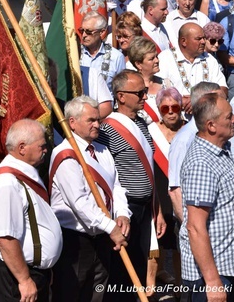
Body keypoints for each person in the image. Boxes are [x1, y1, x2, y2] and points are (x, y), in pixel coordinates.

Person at [50, 96, 130, 301]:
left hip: (103, 236)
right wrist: (110, 226)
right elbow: (79, 203)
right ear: (72, 123)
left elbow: (116, 186)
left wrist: (122, 214)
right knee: (72, 293)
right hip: (76, 240)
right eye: (91, 121)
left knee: (98, 293)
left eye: (98, 119)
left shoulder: (102, 150)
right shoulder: (65, 154)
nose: (97, 125)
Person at [98, 70, 166, 297]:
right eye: (139, 93)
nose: (145, 97)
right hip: (126, 209)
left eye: (145, 92)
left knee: (139, 266)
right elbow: (104, 171)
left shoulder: (142, 124)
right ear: (121, 96)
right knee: (121, 274)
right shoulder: (106, 130)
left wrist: (157, 209)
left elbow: (148, 168)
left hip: (146, 208)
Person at [0, 119, 62, 302]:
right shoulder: (7, 183)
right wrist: (24, 279)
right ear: (22, 148)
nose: (45, 150)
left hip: (29, 273)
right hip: (14, 278)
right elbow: (6, 238)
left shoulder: (23, 174)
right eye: (42, 146)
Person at [179, 93, 234, 300]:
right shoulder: (202, 164)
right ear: (211, 126)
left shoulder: (222, 149)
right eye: (229, 117)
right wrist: (213, 282)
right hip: (216, 274)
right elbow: (195, 227)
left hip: (233, 266)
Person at [168, 82, 222, 222]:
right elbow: (175, 190)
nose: (225, 103)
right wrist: (189, 230)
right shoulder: (184, 140)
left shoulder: (214, 134)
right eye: (219, 99)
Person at [147, 88, 184, 291]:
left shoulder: (189, 130)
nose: (171, 112)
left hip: (182, 193)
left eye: (175, 107)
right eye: (165, 108)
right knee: (155, 243)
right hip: (158, 192)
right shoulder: (150, 131)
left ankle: (181, 286)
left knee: (180, 245)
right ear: (159, 110)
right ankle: (150, 288)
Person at [158, 23, 227, 114]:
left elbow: (223, 90)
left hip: (206, 117)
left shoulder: (210, 59)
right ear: (184, 41)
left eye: (204, 38)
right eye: (198, 39)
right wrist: (180, 101)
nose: (203, 42)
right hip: (175, 117)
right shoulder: (165, 58)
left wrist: (199, 99)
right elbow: (157, 91)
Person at [80, 11, 126, 93]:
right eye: (81, 31)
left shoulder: (116, 57)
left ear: (102, 32)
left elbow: (121, 90)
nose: (83, 35)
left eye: (88, 32)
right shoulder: (77, 54)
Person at [127, 36, 164, 124]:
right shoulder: (129, 89)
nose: (157, 60)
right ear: (138, 64)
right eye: (151, 59)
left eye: (156, 56)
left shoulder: (166, 84)